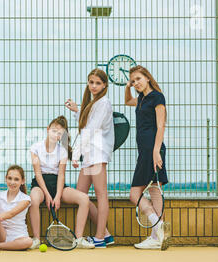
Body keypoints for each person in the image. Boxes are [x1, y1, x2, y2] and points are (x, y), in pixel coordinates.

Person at [64, 68, 114, 248]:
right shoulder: (94, 103)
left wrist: (75, 153)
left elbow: (91, 130)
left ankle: (100, 237)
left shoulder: (104, 103)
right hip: (89, 155)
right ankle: (106, 234)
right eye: (91, 82)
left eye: (98, 83)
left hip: (98, 155)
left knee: (101, 195)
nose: (94, 86)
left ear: (105, 85)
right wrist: (78, 111)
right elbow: (87, 125)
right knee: (81, 195)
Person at [28, 116, 95, 249]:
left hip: (58, 185)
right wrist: (47, 195)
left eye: (60, 133)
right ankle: (36, 239)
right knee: (34, 199)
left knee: (84, 199)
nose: (56, 134)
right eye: (54, 130)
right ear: (48, 130)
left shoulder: (63, 151)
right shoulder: (35, 148)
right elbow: (38, 173)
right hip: (40, 185)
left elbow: (61, 175)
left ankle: (79, 239)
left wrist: (58, 196)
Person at [124, 65, 170, 250]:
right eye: (133, 81)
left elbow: (161, 126)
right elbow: (128, 101)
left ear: (147, 78)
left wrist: (156, 151)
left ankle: (157, 227)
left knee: (134, 194)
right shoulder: (142, 99)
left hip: (152, 149)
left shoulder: (157, 98)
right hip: (145, 150)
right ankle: (156, 237)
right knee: (154, 190)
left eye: (138, 79)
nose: (136, 83)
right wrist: (127, 86)